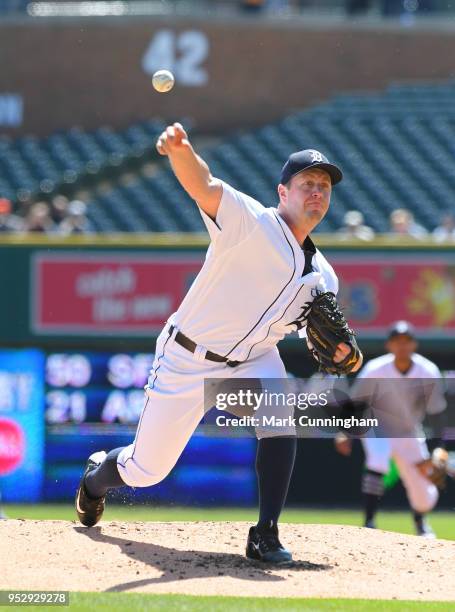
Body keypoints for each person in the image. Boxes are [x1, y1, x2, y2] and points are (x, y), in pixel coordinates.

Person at [75, 122, 363, 564]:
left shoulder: (324, 276)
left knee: (279, 416)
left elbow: (314, 335)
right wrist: (180, 150)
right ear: (282, 192)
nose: (317, 192)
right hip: (187, 358)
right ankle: (96, 479)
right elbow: (204, 185)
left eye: (324, 186)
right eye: (307, 183)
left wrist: (341, 354)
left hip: (251, 360)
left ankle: (265, 534)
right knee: (147, 471)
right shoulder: (251, 223)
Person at [335, 321, 447, 537]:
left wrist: (437, 448)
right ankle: (369, 522)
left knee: (424, 493)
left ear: (414, 345)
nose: (402, 346)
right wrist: (345, 432)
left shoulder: (427, 371)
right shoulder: (375, 369)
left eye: (406, 341)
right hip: (376, 426)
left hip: (408, 431)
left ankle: (420, 521)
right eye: (398, 342)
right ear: (389, 345)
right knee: (378, 458)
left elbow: (436, 414)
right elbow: (355, 403)